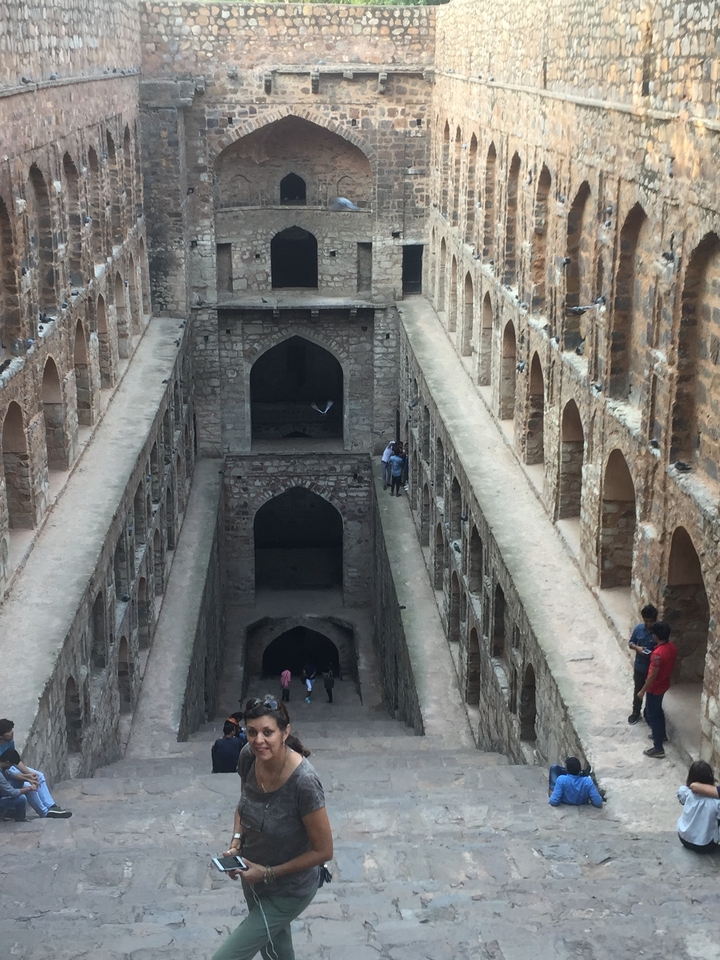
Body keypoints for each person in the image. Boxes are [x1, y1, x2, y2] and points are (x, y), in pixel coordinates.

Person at [211, 696, 332, 960]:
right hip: (253, 878)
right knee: (277, 954)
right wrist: (236, 844)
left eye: (268, 732)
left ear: (285, 732)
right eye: (251, 732)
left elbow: (324, 851)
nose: (258, 740)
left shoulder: (305, 783)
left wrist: (268, 873)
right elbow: (244, 806)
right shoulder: (248, 756)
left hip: (289, 889)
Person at [0, 719, 71, 818]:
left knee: (38, 776)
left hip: (8, 767)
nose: (12, 733)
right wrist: (28, 780)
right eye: (8, 731)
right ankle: (44, 812)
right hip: (5, 770)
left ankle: (51, 806)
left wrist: (29, 774)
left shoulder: (10, 742)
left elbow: (15, 760)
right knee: (27, 785)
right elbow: (7, 777)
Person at [636, 621, 677, 759]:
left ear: (657, 636)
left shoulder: (658, 654)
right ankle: (661, 734)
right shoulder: (671, 647)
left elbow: (653, 675)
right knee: (658, 710)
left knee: (652, 713)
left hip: (655, 687)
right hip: (664, 684)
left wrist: (642, 690)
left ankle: (658, 747)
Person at [676, 761, 720, 852]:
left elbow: (682, 801)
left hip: (683, 838)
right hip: (705, 845)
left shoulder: (685, 792)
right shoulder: (716, 803)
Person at [627, 604, 658, 724]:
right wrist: (637, 648)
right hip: (640, 666)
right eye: (646, 621)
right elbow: (630, 643)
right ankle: (636, 712)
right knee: (638, 690)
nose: (649, 624)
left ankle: (648, 714)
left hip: (652, 669)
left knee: (651, 692)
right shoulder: (638, 629)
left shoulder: (657, 632)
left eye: (651, 621)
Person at [0, 751, 31, 822]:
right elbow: (13, 792)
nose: (11, 767)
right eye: (11, 765)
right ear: (7, 762)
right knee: (21, 799)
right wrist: (29, 788)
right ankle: (20, 818)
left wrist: (28, 778)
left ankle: (10, 810)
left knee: (18, 782)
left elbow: (11, 775)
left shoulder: (3, 768)